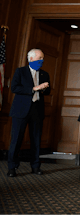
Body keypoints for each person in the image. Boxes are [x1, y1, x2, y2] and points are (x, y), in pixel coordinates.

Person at [7, 49, 50, 177]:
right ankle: (12, 167)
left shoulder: (44, 74)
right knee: (16, 140)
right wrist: (33, 88)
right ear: (31, 59)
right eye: (39, 58)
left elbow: (47, 92)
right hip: (21, 110)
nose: (41, 61)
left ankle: (35, 166)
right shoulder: (20, 71)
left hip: (36, 110)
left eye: (42, 58)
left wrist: (43, 89)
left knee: (36, 140)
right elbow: (14, 88)